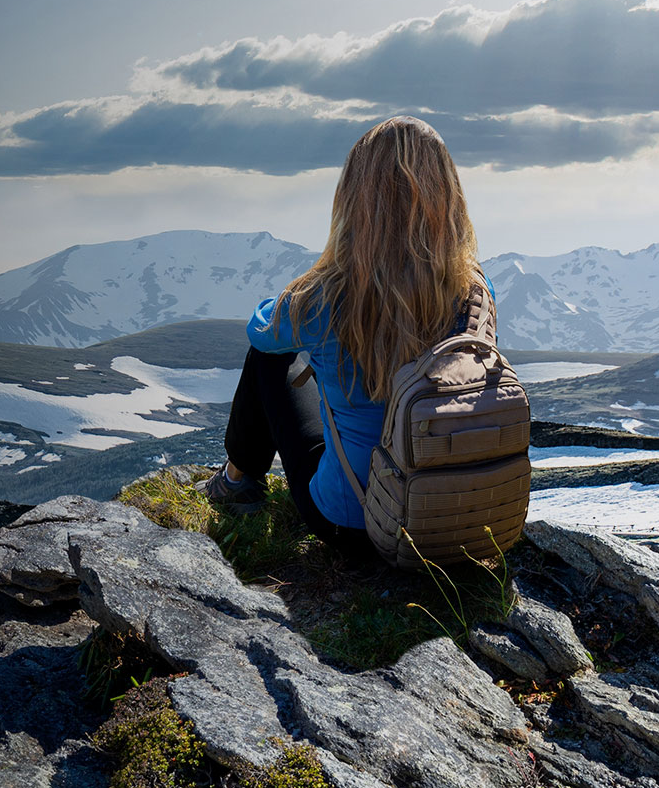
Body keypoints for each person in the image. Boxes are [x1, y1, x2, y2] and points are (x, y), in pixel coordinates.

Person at [203, 116, 493, 562]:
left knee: (268, 360)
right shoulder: (475, 289)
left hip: (353, 520)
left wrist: (307, 285)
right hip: (456, 517)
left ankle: (238, 480)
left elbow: (261, 332)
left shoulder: (329, 294)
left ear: (356, 200)